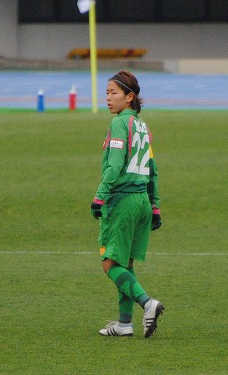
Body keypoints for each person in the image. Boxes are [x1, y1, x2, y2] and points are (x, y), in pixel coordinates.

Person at [91, 70, 164, 338]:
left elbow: (115, 164)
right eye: (107, 93)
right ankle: (124, 324)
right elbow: (152, 169)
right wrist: (155, 206)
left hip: (123, 200)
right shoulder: (142, 126)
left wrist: (100, 196)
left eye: (113, 93)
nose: (108, 98)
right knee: (126, 263)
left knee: (110, 263)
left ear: (129, 97)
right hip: (143, 201)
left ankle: (147, 303)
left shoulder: (120, 124)